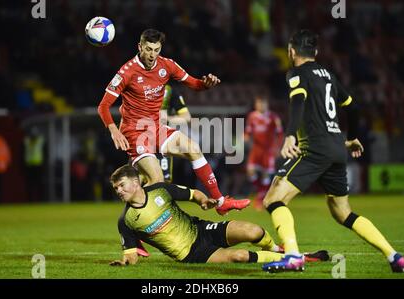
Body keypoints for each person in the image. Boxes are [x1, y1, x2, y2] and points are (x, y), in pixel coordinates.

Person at [261, 29, 404, 273]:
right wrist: (350, 139)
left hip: (315, 149)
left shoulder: (296, 74)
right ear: (316, 52)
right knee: (343, 213)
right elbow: (352, 107)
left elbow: (297, 102)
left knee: (273, 199)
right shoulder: (328, 75)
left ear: (291, 50)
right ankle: (393, 256)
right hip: (336, 149)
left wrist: (289, 134)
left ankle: (293, 256)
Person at [97, 29, 250, 216]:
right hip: (135, 132)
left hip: (157, 128)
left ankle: (220, 202)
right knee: (157, 180)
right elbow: (103, 106)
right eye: (148, 49)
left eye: (156, 49)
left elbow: (194, 83)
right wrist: (114, 130)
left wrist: (205, 84)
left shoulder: (167, 65)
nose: (152, 54)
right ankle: (131, 223)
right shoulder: (126, 71)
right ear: (140, 47)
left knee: (193, 148)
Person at [108, 165, 328, 266]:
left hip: (201, 228)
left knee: (254, 231)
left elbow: (193, 194)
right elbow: (131, 252)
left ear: (136, 182)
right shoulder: (126, 221)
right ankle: (294, 259)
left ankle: (277, 251)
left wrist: (205, 201)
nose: (119, 191)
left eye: (121, 185)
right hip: (192, 253)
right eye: (116, 188)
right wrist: (125, 262)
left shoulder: (160, 191)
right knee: (239, 256)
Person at [245, 96, 283, 210]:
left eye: (263, 103)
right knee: (250, 171)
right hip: (256, 149)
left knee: (265, 174)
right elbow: (248, 131)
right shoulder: (252, 116)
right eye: (258, 103)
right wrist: (245, 137)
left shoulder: (273, 117)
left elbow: (280, 134)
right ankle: (261, 192)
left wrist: (278, 148)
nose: (260, 105)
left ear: (267, 104)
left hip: (268, 150)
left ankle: (260, 199)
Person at [156, 84, 192, 183]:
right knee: (138, 176)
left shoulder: (169, 91)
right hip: (140, 136)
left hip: (161, 139)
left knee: (164, 179)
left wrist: (167, 118)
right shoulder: (140, 86)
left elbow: (187, 117)